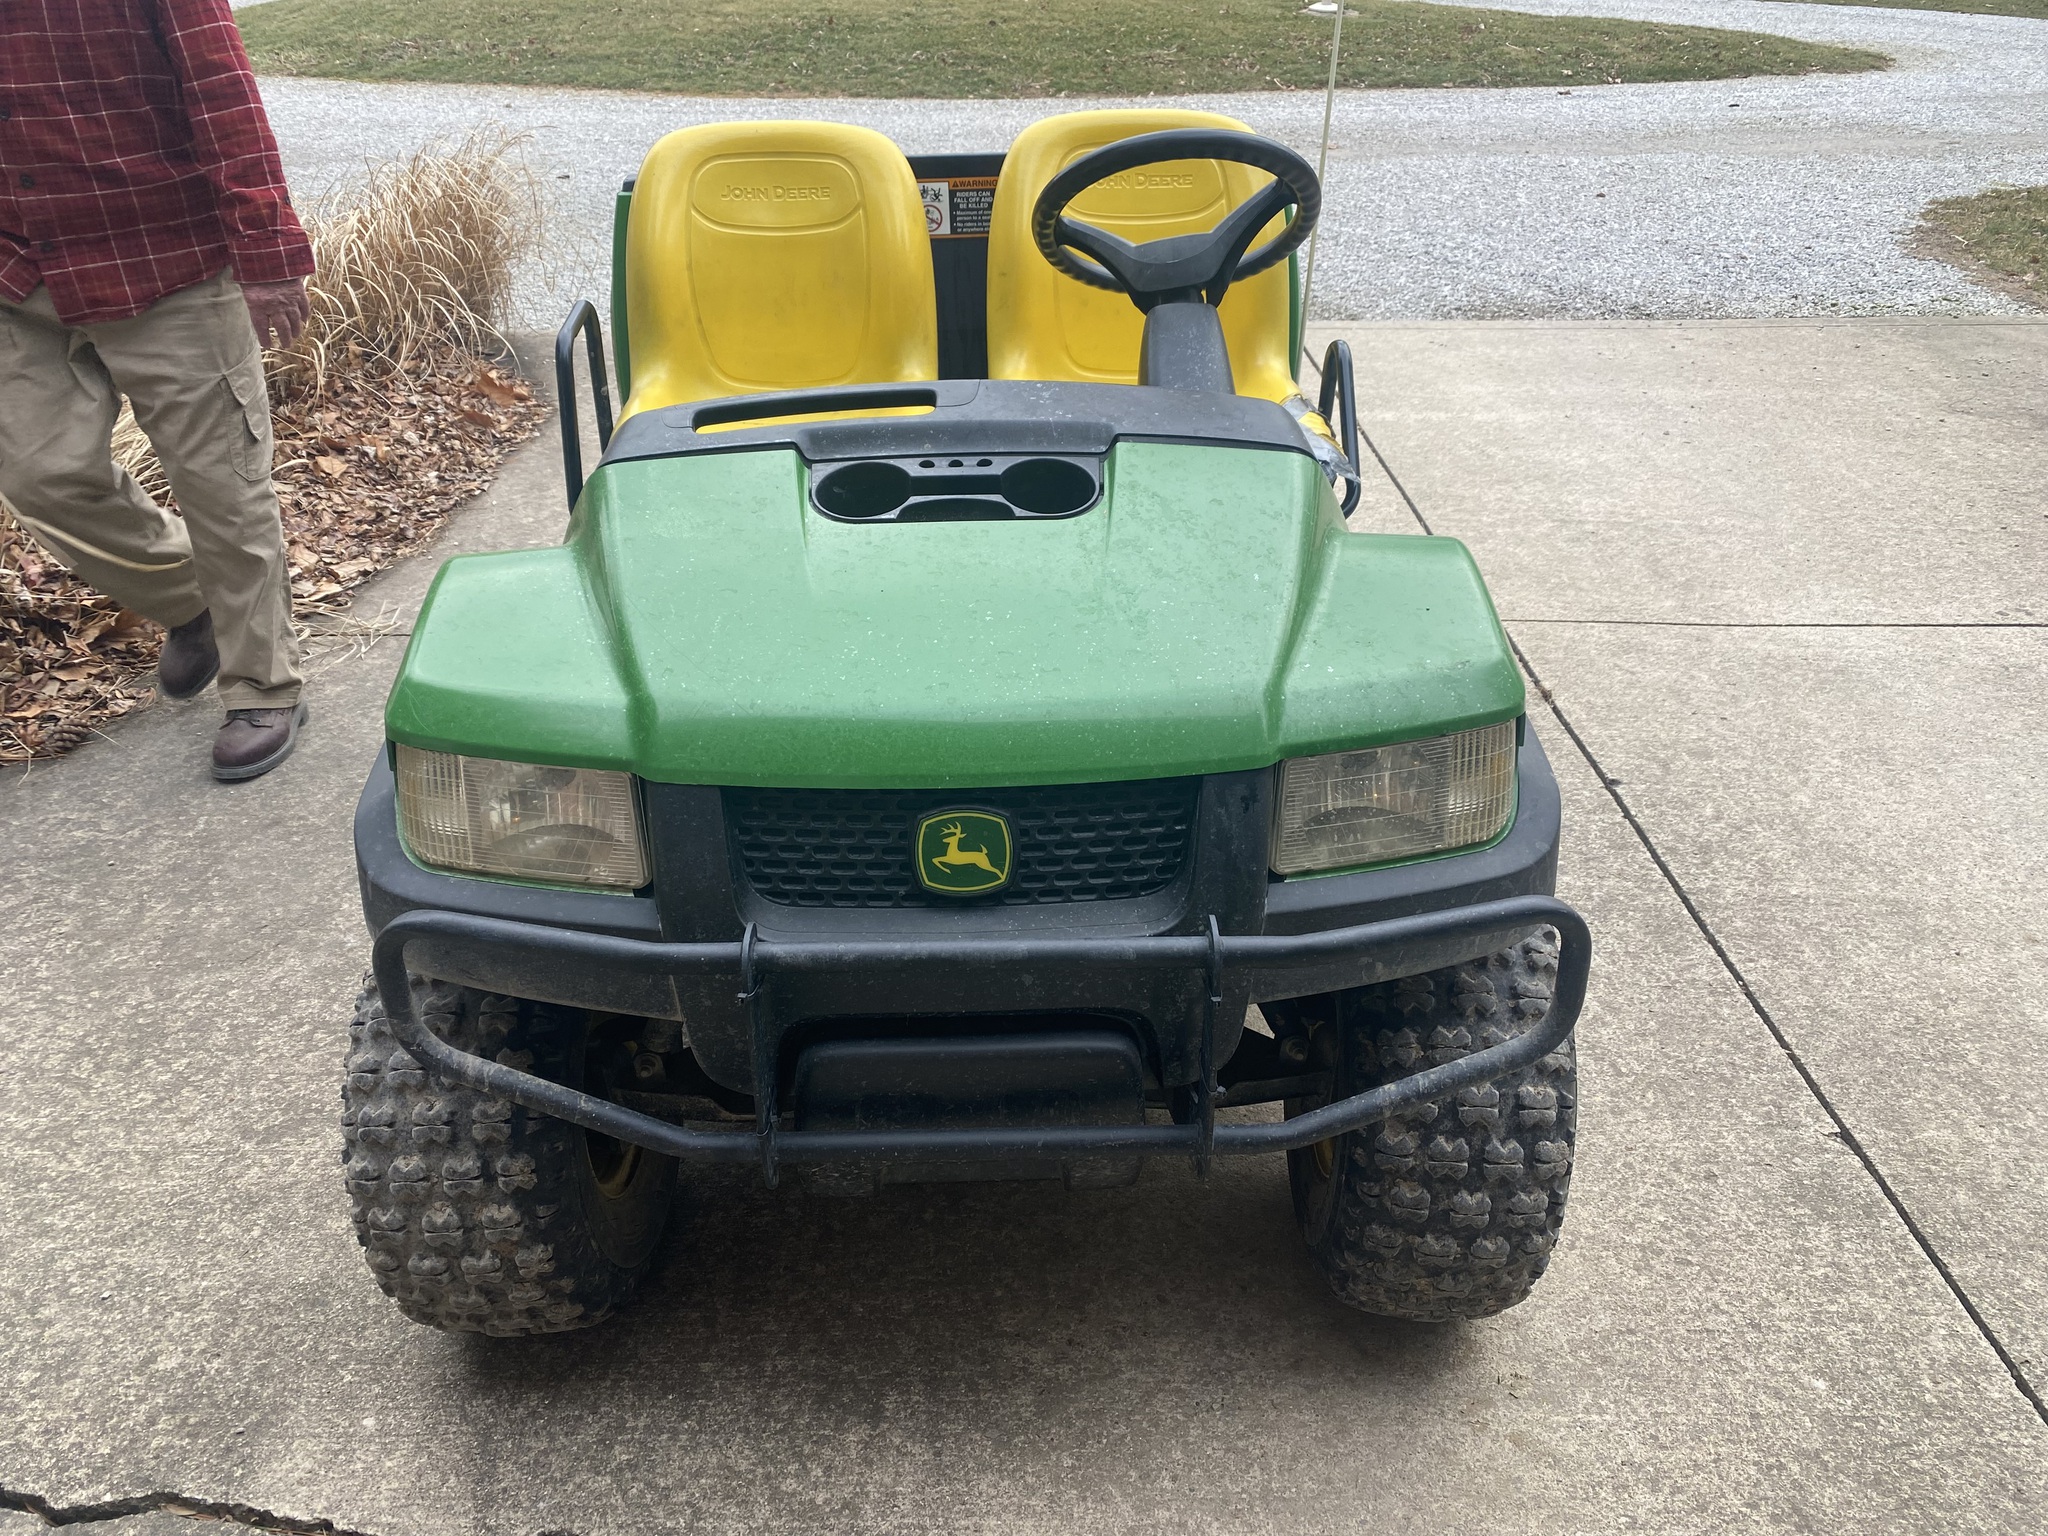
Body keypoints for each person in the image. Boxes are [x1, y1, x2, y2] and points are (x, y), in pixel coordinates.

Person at [1, 0, 314, 780]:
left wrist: (268, 249)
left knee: (223, 489)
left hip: (164, 259)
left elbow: (224, 93)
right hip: (19, 271)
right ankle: (189, 599)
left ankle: (263, 683)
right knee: (39, 473)